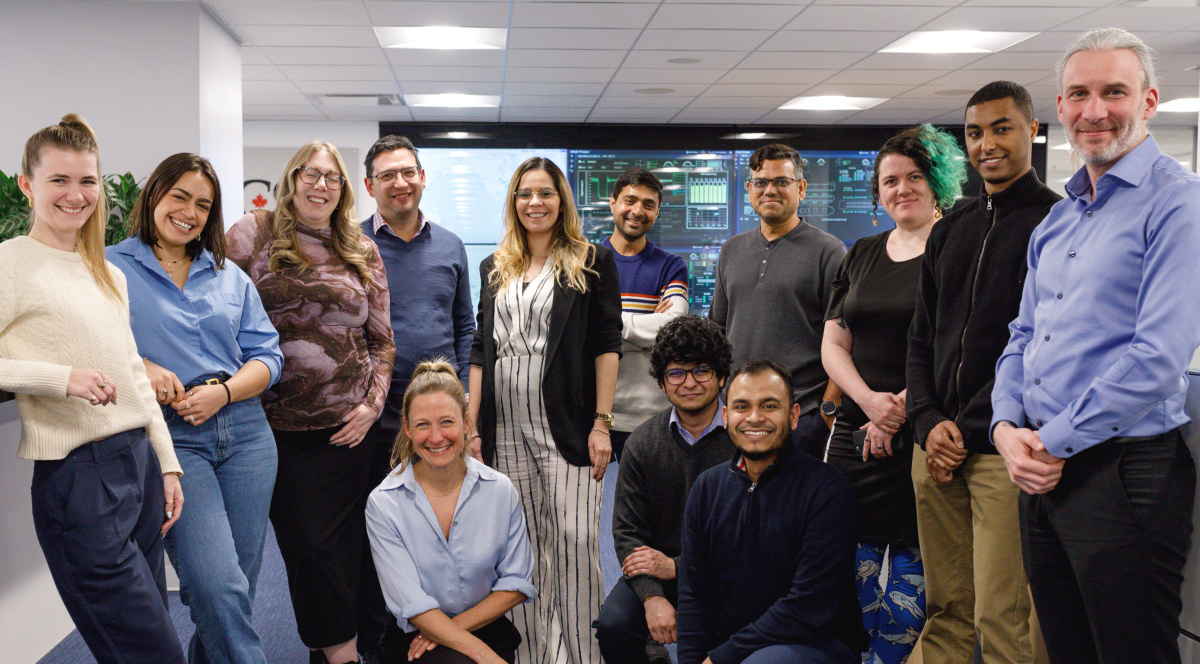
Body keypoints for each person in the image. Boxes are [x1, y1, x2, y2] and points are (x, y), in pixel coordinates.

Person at [991, 28, 1200, 664]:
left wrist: (1049, 441)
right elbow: (1023, 335)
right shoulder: (1059, 219)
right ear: (1060, 107)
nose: (1095, 110)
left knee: (1131, 652)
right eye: (1079, 94)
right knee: (1067, 649)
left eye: (1115, 91)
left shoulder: (1179, 203)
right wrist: (1005, 428)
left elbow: (1158, 358)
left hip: (1125, 470)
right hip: (1042, 470)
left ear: (1150, 101)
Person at [2, 114, 187, 663]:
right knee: (155, 654)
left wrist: (167, 462)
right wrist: (61, 379)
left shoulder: (106, 271)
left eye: (86, 180)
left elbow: (133, 371)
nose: (75, 194)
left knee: (150, 639)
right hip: (79, 480)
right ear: (26, 184)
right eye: (58, 180)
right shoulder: (10, 263)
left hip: (138, 465)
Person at [108, 153, 284, 664]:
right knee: (215, 585)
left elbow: (268, 357)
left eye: (203, 205)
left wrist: (224, 393)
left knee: (239, 585)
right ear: (154, 196)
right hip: (174, 438)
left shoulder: (229, 275)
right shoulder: (110, 268)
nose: (189, 212)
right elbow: (90, 342)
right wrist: (143, 364)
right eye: (179, 196)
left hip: (247, 434)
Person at [905, 82, 1059, 664]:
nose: (986, 144)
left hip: (1003, 450)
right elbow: (921, 338)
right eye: (974, 132)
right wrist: (926, 421)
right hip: (935, 447)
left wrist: (968, 428)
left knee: (1003, 617)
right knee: (946, 610)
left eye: (1001, 128)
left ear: (1032, 130)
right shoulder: (951, 228)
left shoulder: (1058, 223)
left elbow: (1044, 347)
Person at [227, 141, 396, 664]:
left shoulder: (361, 248)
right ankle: (341, 653)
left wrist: (372, 405)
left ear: (343, 190)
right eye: (311, 174)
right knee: (311, 549)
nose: (321, 185)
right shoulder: (253, 233)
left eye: (332, 178)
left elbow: (382, 341)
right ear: (292, 177)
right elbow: (213, 311)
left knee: (348, 553)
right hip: (275, 427)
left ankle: (334, 652)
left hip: (350, 430)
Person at [467, 156, 622, 664]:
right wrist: (472, 426)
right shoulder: (495, 266)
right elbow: (480, 349)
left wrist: (602, 424)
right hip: (506, 425)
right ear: (514, 201)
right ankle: (533, 656)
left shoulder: (591, 260)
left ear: (562, 200)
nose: (535, 202)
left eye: (546, 193)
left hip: (568, 424)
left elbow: (606, 345)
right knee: (522, 550)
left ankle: (583, 657)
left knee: (575, 545)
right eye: (525, 193)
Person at [821, 124, 965, 664]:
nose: (902, 188)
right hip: (855, 436)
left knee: (912, 582)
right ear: (878, 192)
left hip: (925, 432)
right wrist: (869, 403)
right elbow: (834, 343)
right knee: (847, 574)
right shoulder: (860, 253)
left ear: (937, 181)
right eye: (890, 180)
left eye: (914, 176)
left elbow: (957, 343)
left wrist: (899, 409)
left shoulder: (957, 249)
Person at [360, 134, 476, 651]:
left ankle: (439, 633)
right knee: (376, 535)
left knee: (437, 530)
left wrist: (465, 407)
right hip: (374, 418)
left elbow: (464, 328)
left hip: (438, 422)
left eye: (408, 172)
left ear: (423, 178)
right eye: (387, 175)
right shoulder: (352, 243)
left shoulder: (450, 245)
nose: (400, 182)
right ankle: (379, 642)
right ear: (370, 186)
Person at [677, 358, 865, 664]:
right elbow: (694, 596)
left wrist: (720, 659)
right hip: (734, 651)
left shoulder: (828, 491)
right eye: (741, 407)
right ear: (726, 416)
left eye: (769, 406)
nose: (754, 418)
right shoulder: (706, 488)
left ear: (793, 416)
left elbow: (806, 607)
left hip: (814, 646)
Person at [366, 359, 536, 664]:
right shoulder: (383, 503)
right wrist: (485, 657)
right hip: (414, 635)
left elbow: (516, 584)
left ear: (466, 423)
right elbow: (411, 602)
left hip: (484, 625)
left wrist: (455, 629)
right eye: (422, 425)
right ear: (407, 428)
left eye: (446, 422)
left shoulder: (499, 490)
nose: (435, 437)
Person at [596, 315, 735, 664]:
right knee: (613, 626)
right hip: (656, 572)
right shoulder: (642, 443)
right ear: (661, 382)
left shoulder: (743, 440)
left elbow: (751, 541)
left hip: (728, 575)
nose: (689, 383)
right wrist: (651, 597)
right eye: (676, 373)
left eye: (702, 370)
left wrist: (676, 567)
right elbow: (627, 532)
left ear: (721, 376)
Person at [709, 144, 846, 458]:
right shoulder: (731, 250)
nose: (769, 190)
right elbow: (717, 334)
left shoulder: (829, 251)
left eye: (782, 182)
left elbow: (846, 340)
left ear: (801, 188)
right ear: (749, 189)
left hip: (801, 416)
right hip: (738, 415)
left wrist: (826, 415)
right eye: (761, 182)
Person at [599, 167, 689, 458]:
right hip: (595, 414)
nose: (638, 211)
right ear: (613, 203)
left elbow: (673, 328)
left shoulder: (671, 266)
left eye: (649, 205)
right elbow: (577, 333)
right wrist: (646, 332)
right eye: (630, 200)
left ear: (657, 212)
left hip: (652, 416)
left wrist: (606, 326)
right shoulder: (584, 262)